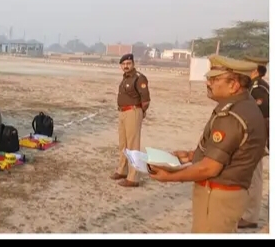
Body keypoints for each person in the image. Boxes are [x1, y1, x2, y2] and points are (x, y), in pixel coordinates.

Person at [148, 56, 266, 233]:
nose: (208, 83)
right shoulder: (244, 106)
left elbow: (209, 168)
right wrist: (191, 156)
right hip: (228, 195)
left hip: (218, 197)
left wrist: (169, 177)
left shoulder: (231, 116)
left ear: (234, 85)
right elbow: (228, 151)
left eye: (215, 79)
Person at [111, 54, 150, 187]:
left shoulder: (139, 78)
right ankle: (122, 170)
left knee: (133, 145)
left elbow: (146, 100)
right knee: (123, 144)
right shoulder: (126, 78)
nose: (126, 66)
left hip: (133, 111)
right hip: (122, 112)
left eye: (128, 63)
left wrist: (140, 112)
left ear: (133, 64)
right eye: (123, 64)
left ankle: (133, 178)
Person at [240, 55, 268, 229]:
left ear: (255, 70)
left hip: (257, 138)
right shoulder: (255, 87)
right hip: (256, 137)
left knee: (254, 177)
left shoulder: (258, 89)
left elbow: (263, 117)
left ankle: (250, 216)